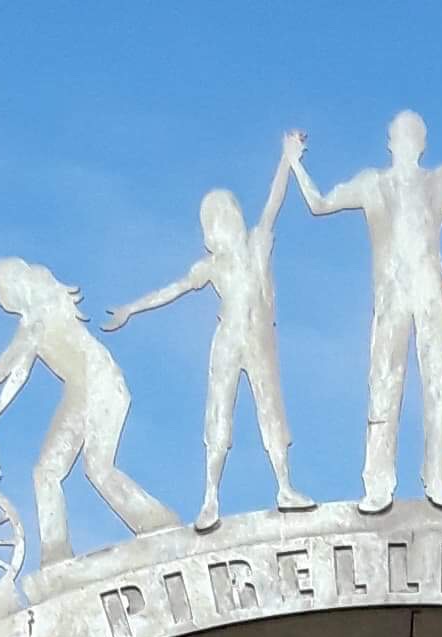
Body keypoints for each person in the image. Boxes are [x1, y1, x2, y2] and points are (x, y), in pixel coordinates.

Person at [287, 104, 442, 513]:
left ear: (421, 144)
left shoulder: (438, 181)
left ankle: (439, 479)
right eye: (400, 135)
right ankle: (377, 484)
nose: (405, 142)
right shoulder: (371, 184)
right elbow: (319, 203)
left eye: (412, 136)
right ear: (391, 143)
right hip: (391, 296)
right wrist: (293, 163)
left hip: (430, 293)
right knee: (384, 386)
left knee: (439, 387)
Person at [102, 142, 315, 530]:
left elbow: (273, 203)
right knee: (219, 416)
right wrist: (131, 309)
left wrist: (287, 160)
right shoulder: (213, 265)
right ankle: (210, 499)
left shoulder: (256, 245)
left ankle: (284, 487)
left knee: (271, 411)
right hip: (228, 340)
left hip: (258, 340)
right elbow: (174, 289)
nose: (221, 225)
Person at [0, 258, 178, 569]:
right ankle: (63, 549)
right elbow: (19, 372)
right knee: (62, 471)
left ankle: (155, 524)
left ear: (16, 287)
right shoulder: (34, 322)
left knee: (85, 469)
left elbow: (10, 362)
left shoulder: (40, 319)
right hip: (88, 389)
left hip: (99, 386)